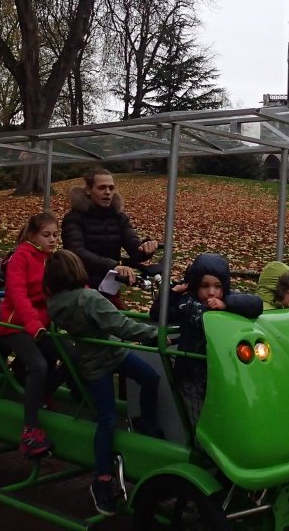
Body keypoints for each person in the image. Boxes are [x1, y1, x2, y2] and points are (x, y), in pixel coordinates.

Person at [45, 249, 161, 517]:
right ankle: (103, 478)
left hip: (92, 361)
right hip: (110, 356)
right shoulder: (88, 298)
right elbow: (120, 325)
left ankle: (109, 472)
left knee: (108, 418)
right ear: (77, 270)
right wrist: (155, 334)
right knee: (125, 402)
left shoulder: (55, 303)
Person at [151, 253, 262, 424]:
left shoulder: (227, 300)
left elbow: (256, 304)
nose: (211, 292)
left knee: (220, 415)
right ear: (195, 285)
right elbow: (157, 314)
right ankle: (199, 445)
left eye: (217, 286)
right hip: (190, 374)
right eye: (205, 286)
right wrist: (173, 293)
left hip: (220, 373)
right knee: (197, 416)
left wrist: (226, 305)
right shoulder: (187, 303)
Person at [0, 211, 65, 458]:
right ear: (33, 235)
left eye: (56, 235)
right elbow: (17, 294)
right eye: (46, 235)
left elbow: (69, 284)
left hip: (40, 326)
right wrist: (34, 324)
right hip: (15, 325)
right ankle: (30, 429)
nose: (52, 240)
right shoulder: (21, 257)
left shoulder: (53, 259)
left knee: (73, 356)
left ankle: (41, 392)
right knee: (37, 364)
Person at [61, 167, 158, 309]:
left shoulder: (120, 217)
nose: (107, 192)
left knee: (123, 324)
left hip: (109, 287)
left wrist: (146, 249)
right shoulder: (74, 218)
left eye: (111, 188)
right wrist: (113, 266)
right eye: (102, 188)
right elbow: (76, 251)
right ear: (88, 190)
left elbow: (134, 249)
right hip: (81, 287)